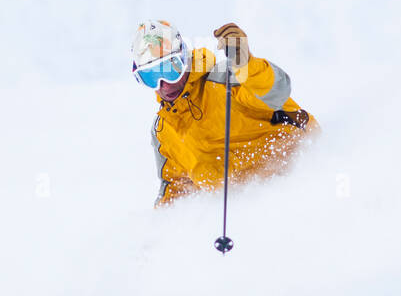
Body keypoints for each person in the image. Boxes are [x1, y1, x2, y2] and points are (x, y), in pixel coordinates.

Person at [131, 19, 316, 206]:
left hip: (302, 183)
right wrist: (158, 228)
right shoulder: (164, 132)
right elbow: (176, 188)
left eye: (171, 69)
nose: (163, 85)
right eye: (150, 76)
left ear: (185, 58)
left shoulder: (225, 80)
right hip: (247, 212)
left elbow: (279, 90)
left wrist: (246, 65)